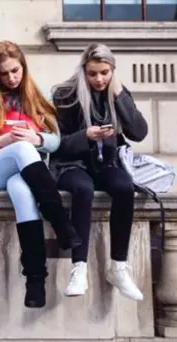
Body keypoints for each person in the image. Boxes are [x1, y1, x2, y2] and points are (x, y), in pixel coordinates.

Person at [0, 40, 80, 308]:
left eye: (16, 70)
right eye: (5, 73)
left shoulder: (38, 97)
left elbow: (55, 140)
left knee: (22, 190)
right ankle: (60, 221)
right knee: (22, 150)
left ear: (23, 67)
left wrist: (36, 138)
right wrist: (0, 141)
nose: (12, 78)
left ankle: (35, 279)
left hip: (24, 171)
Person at [51, 43, 148, 300]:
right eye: (93, 73)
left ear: (112, 70)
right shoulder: (65, 95)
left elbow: (139, 132)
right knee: (83, 189)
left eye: (105, 72)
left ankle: (118, 267)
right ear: (84, 71)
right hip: (70, 165)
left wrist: (119, 95)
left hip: (106, 163)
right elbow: (56, 143)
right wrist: (86, 136)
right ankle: (79, 268)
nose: (99, 79)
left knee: (125, 187)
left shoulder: (117, 94)